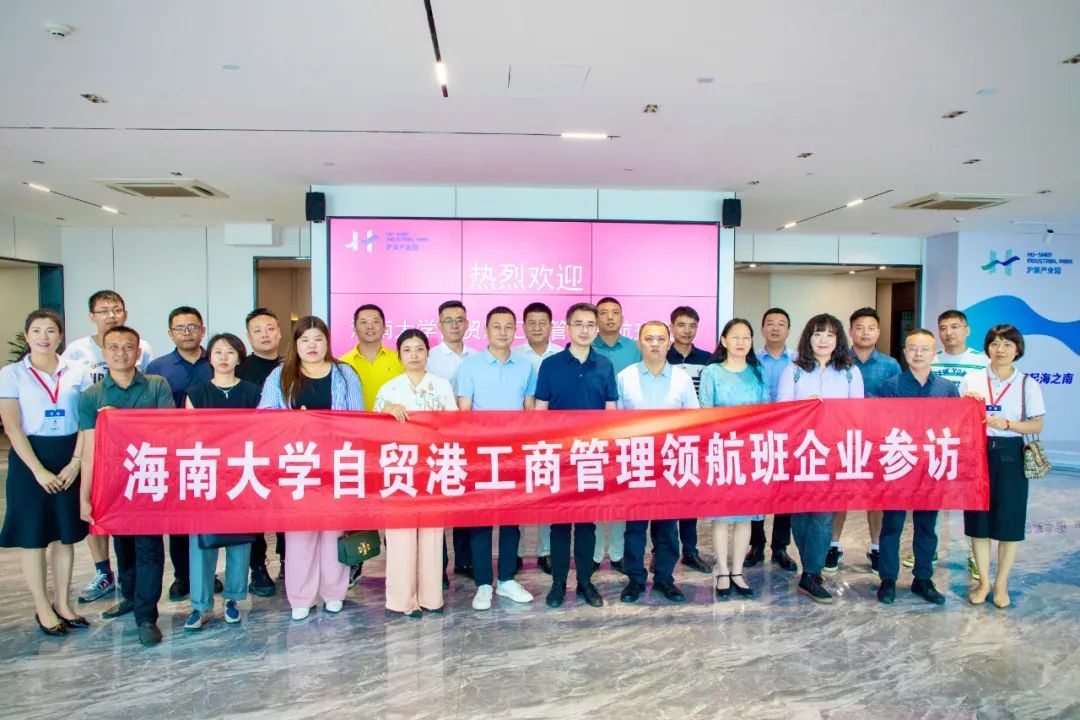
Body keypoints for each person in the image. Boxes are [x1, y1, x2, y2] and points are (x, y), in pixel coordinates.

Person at [258, 316, 364, 620]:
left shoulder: (345, 374)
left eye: (318, 339)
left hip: (336, 463)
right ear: (296, 344)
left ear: (328, 342)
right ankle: (301, 596)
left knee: (333, 533)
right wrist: (294, 421)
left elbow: (358, 418)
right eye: (305, 340)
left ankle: (334, 592)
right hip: (297, 465)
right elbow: (264, 416)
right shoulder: (281, 375)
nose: (312, 345)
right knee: (299, 536)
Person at [78, 326, 175, 647]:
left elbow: (168, 432)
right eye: (114, 347)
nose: (121, 353)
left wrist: (120, 419)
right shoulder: (92, 395)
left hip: (149, 479)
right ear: (103, 353)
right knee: (124, 548)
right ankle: (131, 597)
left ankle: (147, 616)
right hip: (113, 484)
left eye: (128, 347)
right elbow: (89, 450)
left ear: (138, 352)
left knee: (149, 548)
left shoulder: (157, 385)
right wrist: (85, 496)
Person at [0, 309, 92, 636]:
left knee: (65, 535)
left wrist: (76, 462)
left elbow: (86, 421)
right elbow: (12, 426)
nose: (44, 337)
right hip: (30, 460)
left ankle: (63, 603)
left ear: (60, 336)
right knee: (34, 537)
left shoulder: (77, 371)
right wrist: (38, 471)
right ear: (27, 336)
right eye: (37, 331)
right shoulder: (12, 374)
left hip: (69, 455)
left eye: (50, 330)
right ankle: (42, 606)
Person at [61, 290, 153, 604]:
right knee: (99, 513)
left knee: (134, 526)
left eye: (116, 309)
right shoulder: (76, 351)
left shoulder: (143, 351)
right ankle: (103, 572)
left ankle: (134, 588)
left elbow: (145, 391)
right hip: (92, 436)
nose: (111, 315)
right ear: (92, 316)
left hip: (137, 446)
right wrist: (78, 456)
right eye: (103, 310)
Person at [535, 302, 618, 608]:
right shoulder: (550, 365)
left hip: (592, 457)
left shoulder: (605, 365)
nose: (584, 330)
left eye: (590, 325)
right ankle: (558, 583)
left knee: (587, 525)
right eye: (578, 324)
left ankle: (585, 582)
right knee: (559, 525)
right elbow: (540, 413)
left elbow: (611, 413)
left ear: (596, 330)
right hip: (559, 458)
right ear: (567, 328)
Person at [777, 314, 864, 604]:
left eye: (829, 334)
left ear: (838, 339)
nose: (823, 340)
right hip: (801, 452)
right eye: (817, 334)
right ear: (808, 338)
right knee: (801, 514)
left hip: (834, 453)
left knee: (824, 514)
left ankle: (812, 572)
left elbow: (858, 415)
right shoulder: (794, 370)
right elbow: (782, 411)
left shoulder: (850, 371)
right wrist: (804, 407)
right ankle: (810, 569)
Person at [456, 306, 537, 611]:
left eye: (508, 327)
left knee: (511, 520)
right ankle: (482, 584)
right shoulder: (470, 366)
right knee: (480, 520)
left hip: (514, 454)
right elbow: (464, 412)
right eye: (497, 326)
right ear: (486, 330)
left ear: (515, 330)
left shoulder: (526, 366)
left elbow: (530, 410)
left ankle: (505, 580)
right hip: (479, 454)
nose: (503, 332)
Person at [961, 325, 1045, 609]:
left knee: (1010, 521)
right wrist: (966, 406)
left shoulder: (1027, 384)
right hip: (977, 452)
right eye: (995, 343)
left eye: (1008, 344)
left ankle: (1001, 583)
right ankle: (984, 581)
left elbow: (1037, 424)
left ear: (1017, 349)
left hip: (1011, 454)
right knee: (979, 521)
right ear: (987, 347)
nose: (1001, 349)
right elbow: (957, 419)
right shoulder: (972, 380)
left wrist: (1007, 424)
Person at [374, 329, 457, 617]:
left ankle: (432, 598)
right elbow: (372, 430)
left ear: (427, 354)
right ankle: (401, 600)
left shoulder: (441, 386)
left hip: (433, 467)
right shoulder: (389, 390)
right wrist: (387, 410)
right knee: (401, 535)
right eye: (407, 350)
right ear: (399, 355)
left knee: (432, 534)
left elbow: (453, 424)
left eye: (419, 349)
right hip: (399, 468)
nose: (414, 355)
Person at [183, 333, 262, 629]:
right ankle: (200, 605)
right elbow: (189, 436)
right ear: (210, 358)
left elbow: (261, 433)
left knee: (239, 541)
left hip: (241, 473)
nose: (224, 357)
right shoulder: (196, 393)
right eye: (218, 352)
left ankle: (233, 599)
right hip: (206, 473)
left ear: (239, 357)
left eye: (230, 352)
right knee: (201, 543)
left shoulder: (253, 392)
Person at [874, 328, 957, 606]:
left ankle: (923, 578)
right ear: (904, 352)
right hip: (898, 465)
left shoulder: (947, 389)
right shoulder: (890, 386)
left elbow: (955, 428)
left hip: (931, 467)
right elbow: (881, 427)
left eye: (924, 349)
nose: (918, 354)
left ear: (934, 353)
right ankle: (888, 579)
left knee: (926, 526)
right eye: (912, 348)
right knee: (892, 525)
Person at [616, 321, 697, 603]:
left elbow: (694, 420)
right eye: (649, 338)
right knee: (635, 528)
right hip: (635, 461)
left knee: (667, 528)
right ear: (639, 342)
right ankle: (635, 580)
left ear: (668, 343)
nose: (654, 344)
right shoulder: (625, 377)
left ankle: (664, 578)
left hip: (669, 464)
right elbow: (614, 423)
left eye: (660, 339)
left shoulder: (681, 379)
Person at [699, 318, 770, 600]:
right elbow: (705, 412)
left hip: (750, 453)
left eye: (746, 337)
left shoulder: (757, 373)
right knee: (721, 516)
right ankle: (722, 570)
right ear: (724, 341)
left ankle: (738, 571)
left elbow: (767, 413)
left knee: (745, 516)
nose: (741, 342)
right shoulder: (712, 372)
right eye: (735, 337)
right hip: (721, 451)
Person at [146, 306, 213, 602]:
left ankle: (208, 574)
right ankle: (182, 576)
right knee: (179, 520)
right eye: (180, 328)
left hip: (213, 451)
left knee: (210, 517)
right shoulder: (158, 367)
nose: (187, 332)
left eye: (192, 326)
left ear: (202, 330)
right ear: (170, 333)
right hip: (175, 453)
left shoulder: (217, 360)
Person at [827, 307, 900, 575]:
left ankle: (876, 547)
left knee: (876, 495)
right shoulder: (837, 361)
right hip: (842, 438)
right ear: (850, 331)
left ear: (878, 332)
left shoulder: (890, 365)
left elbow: (898, 403)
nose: (865, 333)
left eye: (870, 328)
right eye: (859, 328)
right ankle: (833, 545)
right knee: (840, 493)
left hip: (877, 439)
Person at [338, 303, 406, 587]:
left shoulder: (399, 359)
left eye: (375, 321)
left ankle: (399, 563)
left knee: (395, 502)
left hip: (394, 444)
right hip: (356, 444)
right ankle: (356, 562)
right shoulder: (342, 364)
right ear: (354, 327)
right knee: (359, 507)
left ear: (384, 326)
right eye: (363, 321)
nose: (370, 326)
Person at [927, 309, 990, 580]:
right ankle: (927, 550)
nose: (948, 333)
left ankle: (975, 556)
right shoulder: (931, 360)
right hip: (936, 439)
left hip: (969, 440)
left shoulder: (983, 361)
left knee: (971, 498)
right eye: (943, 328)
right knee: (931, 496)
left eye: (954, 327)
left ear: (967, 330)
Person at [425, 300, 476, 584]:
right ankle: (439, 565)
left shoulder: (478, 357)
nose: (455, 325)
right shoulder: (428, 357)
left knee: (465, 503)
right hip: (435, 441)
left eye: (459, 320)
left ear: (467, 324)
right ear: (439, 325)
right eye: (449, 320)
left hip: (469, 441)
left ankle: (465, 561)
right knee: (438, 506)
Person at [590, 297, 641, 573]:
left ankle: (619, 555)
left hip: (628, 433)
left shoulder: (635, 349)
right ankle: (595, 555)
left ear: (622, 318)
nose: (610, 317)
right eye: (604, 313)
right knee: (596, 495)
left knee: (622, 496)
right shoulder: (585, 346)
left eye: (615, 313)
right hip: (594, 433)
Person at [236, 308, 284, 598]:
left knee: (287, 509)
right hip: (252, 452)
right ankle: (258, 567)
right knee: (255, 513)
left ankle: (288, 561)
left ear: (279, 332)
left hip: (286, 451)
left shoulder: (293, 365)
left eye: (270, 329)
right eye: (258, 330)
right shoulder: (240, 369)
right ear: (249, 336)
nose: (265, 335)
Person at [746, 308, 798, 572]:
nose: (775, 328)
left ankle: (780, 547)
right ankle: (756, 543)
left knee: (785, 491)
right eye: (770, 323)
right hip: (758, 433)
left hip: (791, 434)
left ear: (789, 330)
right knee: (757, 489)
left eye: (781, 324)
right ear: (762, 329)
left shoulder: (799, 360)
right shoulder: (750, 359)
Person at [663, 306, 713, 575]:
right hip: (664, 437)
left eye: (692, 325)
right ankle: (662, 551)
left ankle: (690, 550)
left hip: (694, 437)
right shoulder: (661, 355)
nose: (687, 330)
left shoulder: (707, 359)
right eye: (681, 325)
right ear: (671, 327)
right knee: (663, 497)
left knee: (689, 494)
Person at [511, 301, 561, 575]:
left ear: (552, 326)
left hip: (555, 437)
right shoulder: (514, 355)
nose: (537, 327)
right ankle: (516, 553)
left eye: (543, 322)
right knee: (518, 496)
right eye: (532, 322)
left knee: (547, 494)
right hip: (520, 436)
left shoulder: (563, 354)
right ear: (524, 326)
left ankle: (546, 551)